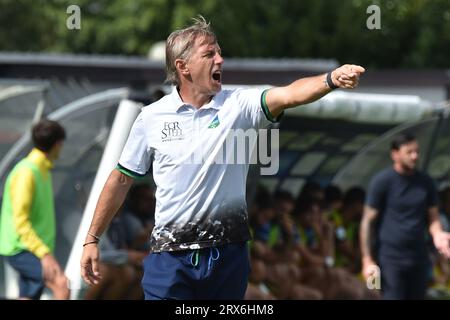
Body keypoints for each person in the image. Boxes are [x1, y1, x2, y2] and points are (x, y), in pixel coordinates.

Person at [80, 15, 364, 300]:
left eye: (219, 52)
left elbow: (290, 94)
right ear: (183, 66)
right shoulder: (151, 117)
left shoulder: (239, 104)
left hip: (227, 258)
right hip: (170, 259)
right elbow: (120, 179)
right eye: (209, 54)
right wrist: (92, 239)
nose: (220, 60)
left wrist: (331, 79)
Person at [360, 133, 450, 299]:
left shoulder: (426, 182)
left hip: (419, 257)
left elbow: (433, 217)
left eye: (416, 151)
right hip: (388, 259)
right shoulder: (382, 182)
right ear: (395, 154)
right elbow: (367, 222)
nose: (415, 156)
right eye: (409, 152)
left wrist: (438, 234)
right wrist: (367, 260)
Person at [0, 119, 69, 300]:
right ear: (57, 145)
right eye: (61, 144)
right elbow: (20, 221)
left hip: (33, 248)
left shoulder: (42, 170)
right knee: (61, 284)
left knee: (28, 296)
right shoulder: (27, 172)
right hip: (22, 248)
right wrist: (45, 254)